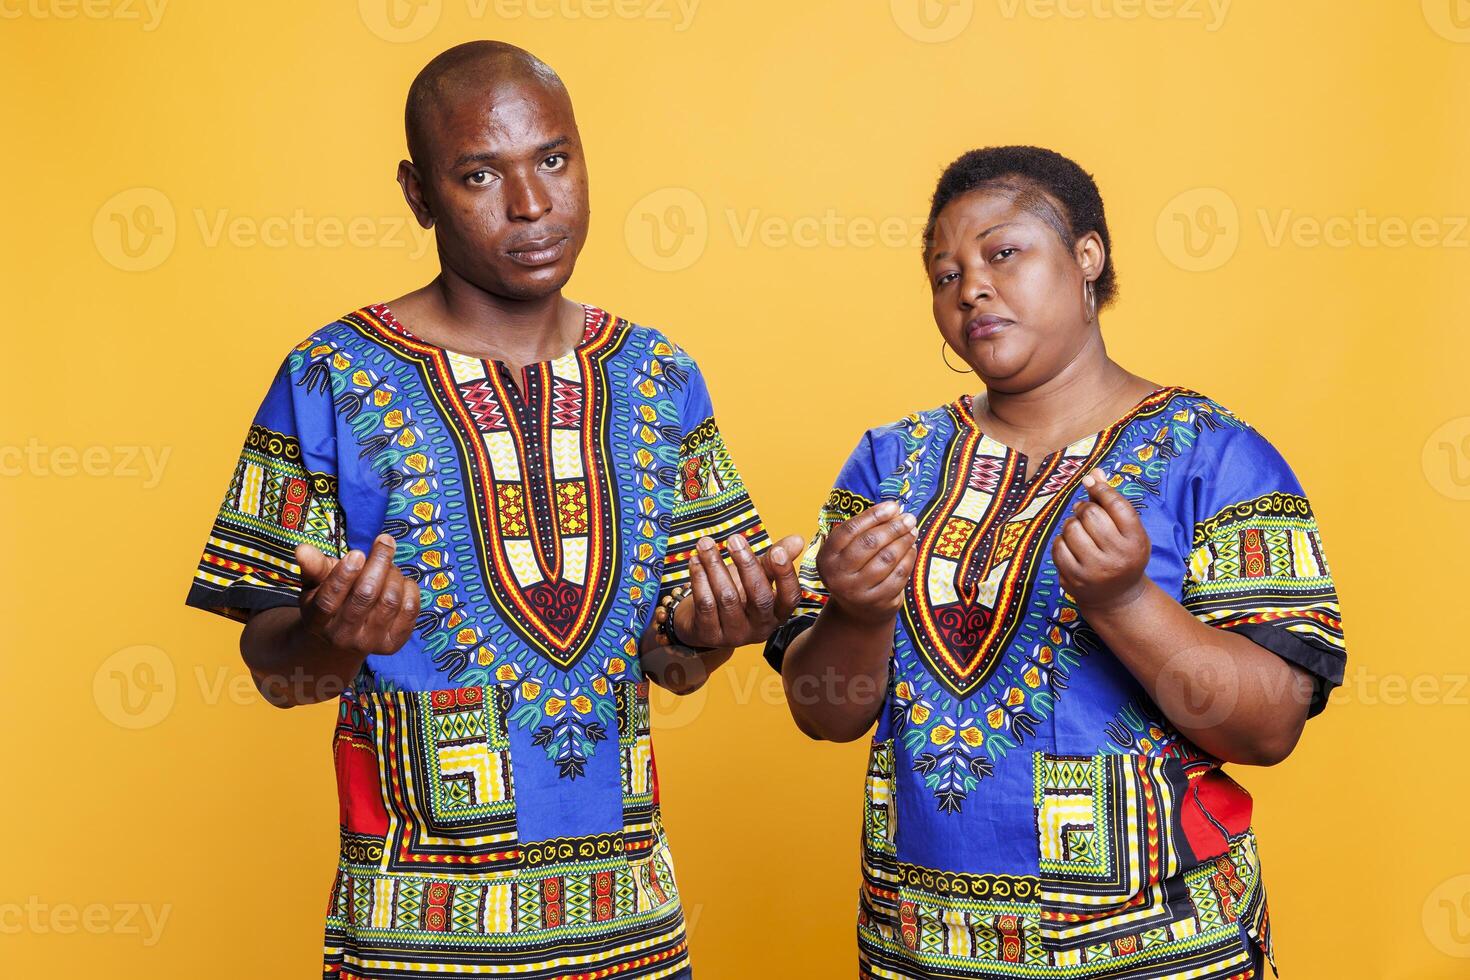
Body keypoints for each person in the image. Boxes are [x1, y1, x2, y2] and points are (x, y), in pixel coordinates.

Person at [185, 40, 802, 979]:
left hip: (631, 928)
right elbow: (280, 676)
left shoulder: (660, 375)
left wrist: (720, 633)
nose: (532, 205)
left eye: (554, 159)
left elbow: (670, 668)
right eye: (480, 174)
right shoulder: (331, 376)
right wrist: (336, 636)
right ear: (419, 193)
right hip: (413, 937)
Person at [765, 146, 1346, 979]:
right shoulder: (889, 463)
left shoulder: (1215, 458)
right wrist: (856, 615)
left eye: (1003, 253)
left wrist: (1122, 599)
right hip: (923, 949)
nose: (970, 288)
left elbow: (1270, 725)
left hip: (1156, 950)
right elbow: (825, 714)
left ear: (1086, 258)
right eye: (944, 273)